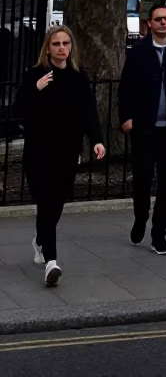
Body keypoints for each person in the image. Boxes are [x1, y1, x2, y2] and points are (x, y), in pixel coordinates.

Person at [14, 26, 105, 286]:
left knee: (57, 202)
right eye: (56, 44)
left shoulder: (78, 77)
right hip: (40, 149)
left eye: (66, 43)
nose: (62, 47)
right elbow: (18, 108)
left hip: (67, 150)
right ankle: (52, 263)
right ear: (48, 48)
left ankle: (41, 240)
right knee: (46, 201)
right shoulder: (35, 75)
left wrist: (97, 140)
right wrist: (36, 88)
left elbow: (89, 111)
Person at [118, 3, 166, 255]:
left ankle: (159, 234)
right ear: (149, 23)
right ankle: (140, 218)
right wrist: (126, 118)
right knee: (142, 179)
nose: (163, 22)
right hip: (143, 126)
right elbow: (126, 87)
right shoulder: (139, 51)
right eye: (158, 19)